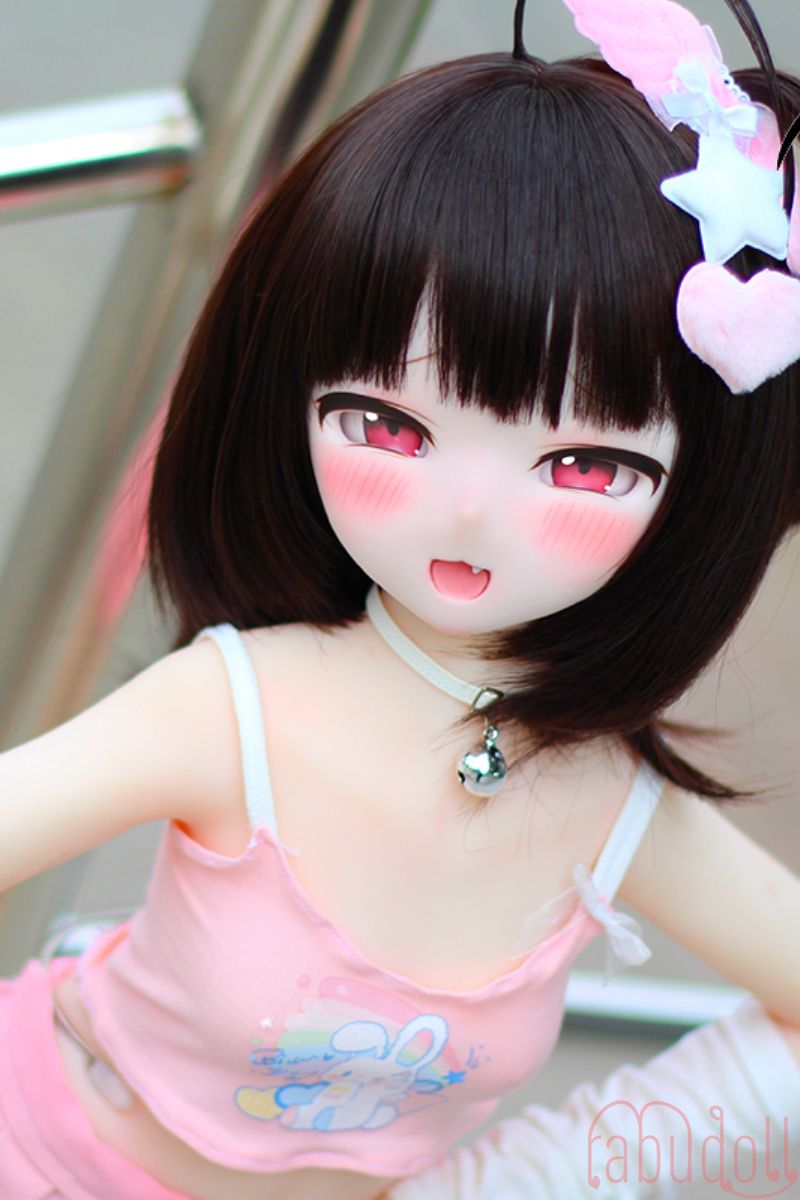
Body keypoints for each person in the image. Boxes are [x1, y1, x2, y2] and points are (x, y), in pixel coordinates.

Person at [1, 0, 799, 1197]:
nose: (467, 512)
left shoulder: (606, 806)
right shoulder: (233, 712)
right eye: (386, 427)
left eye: (584, 466)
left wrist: (532, 1176)